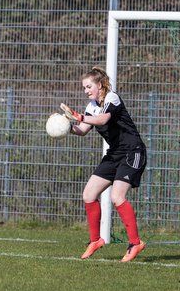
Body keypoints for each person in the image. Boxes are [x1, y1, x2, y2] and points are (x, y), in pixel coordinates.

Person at [60, 67, 147, 262]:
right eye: (84, 87)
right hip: (114, 154)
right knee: (89, 194)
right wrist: (65, 127)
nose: (86, 90)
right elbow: (82, 130)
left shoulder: (111, 98)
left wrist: (78, 116)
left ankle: (135, 243)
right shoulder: (91, 105)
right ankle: (95, 240)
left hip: (132, 151)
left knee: (117, 197)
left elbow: (103, 119)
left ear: (100, 85)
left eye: (89, 86)